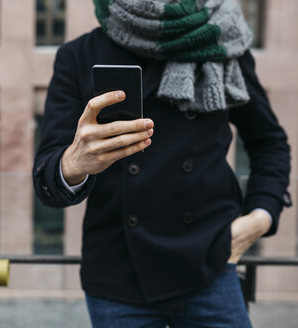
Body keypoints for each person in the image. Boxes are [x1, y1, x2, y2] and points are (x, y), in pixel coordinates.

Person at [33, 0, 292, 327]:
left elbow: (269, 142)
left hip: (211, 262)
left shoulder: (222, 41)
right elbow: (47, 178)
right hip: (119, 278)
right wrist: (73, 163)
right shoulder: (80, 56)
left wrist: (260, 217)